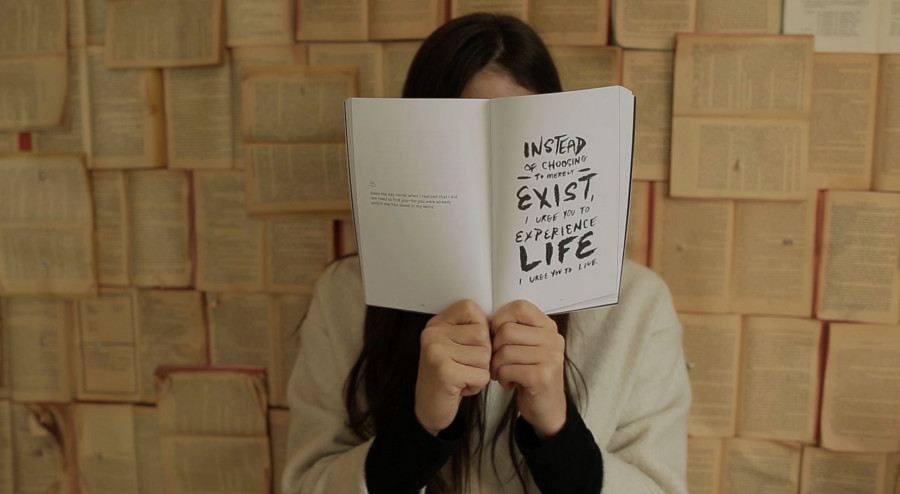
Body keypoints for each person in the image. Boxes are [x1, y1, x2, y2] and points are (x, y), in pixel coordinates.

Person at [282, 13, 690, 494]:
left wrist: (557, 430)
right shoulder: (347, 294)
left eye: (522, 150)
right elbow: (305, 484)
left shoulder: (636, 305)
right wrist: (419, 429)